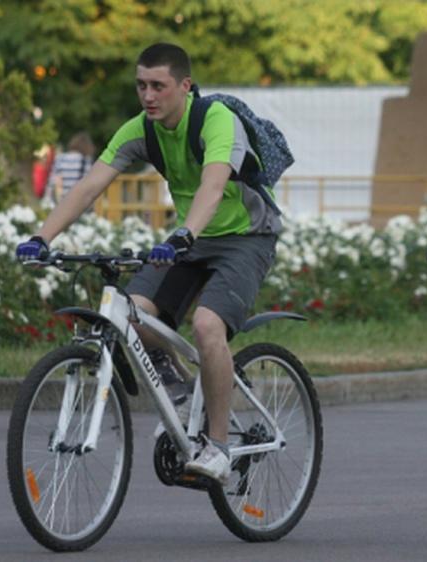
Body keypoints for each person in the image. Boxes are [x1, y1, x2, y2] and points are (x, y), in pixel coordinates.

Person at [15, 42, 282, 484]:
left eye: (158, 85)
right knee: (133, 314)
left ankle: (218, 446)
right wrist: (42, 237)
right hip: (190, 238)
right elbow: (88, 187)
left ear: (185, 86)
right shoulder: (141, 130)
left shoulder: (217, 122)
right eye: (141, 85)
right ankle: (180, 395)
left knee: (208, 326)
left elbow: (212, 189)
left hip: (244, 237)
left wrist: (185, 234)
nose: (148, 95)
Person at [42, 132, 95, 208]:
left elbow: (52, 182)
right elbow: (88, 185)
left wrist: (47, 199)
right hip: (76, 203)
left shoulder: (60, 158)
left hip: (59, 202)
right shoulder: (85, 161)